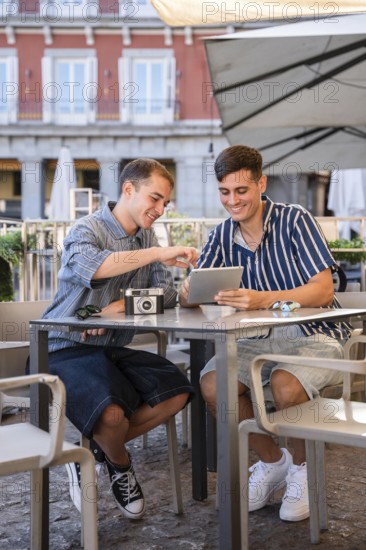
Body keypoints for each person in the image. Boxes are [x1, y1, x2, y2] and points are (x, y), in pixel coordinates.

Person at [179, 145, 351, 522]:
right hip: (254, 340)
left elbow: (322, 290)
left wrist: (264, 299)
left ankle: (303, 473)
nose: (232, 201)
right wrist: (187, 287)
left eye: (241, 191)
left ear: (261, 183)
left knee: (286, 385)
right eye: (225, 192)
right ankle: (273, 462)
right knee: (211, 384)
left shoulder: (294, 219)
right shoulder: (222, 235)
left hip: (315, 332)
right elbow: (192, 295)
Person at [42, 158, 197, 519]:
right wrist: (159, 253)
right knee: (112, 417)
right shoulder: (87, 229)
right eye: (155, 199)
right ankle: (121, 464)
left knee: (179, 391)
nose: (160, 210)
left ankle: (93, 456)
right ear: (128, 189)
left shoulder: (146, 235)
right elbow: (94, 269)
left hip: (110, 348)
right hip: (62, 347)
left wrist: (185, 293)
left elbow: (162, 294)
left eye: (165, 204)